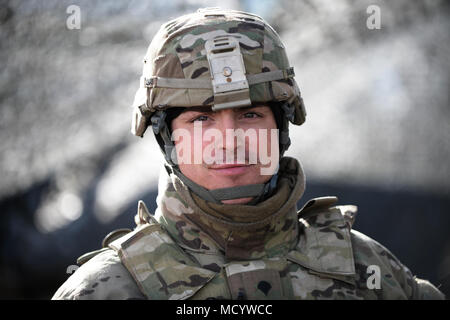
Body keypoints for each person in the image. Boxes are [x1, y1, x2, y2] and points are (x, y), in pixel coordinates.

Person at [52, 8, 444, 300]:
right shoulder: (105, 289)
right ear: (166, 137)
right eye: (202, 119)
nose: (230, 140)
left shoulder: (370, 272)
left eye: (251, 114)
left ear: (281, 130)